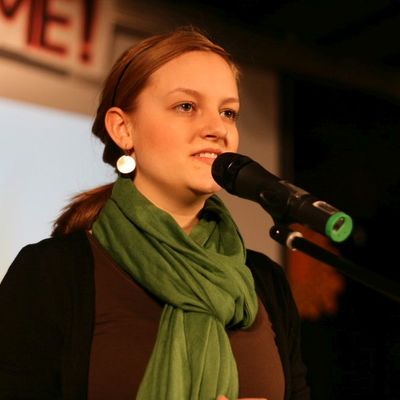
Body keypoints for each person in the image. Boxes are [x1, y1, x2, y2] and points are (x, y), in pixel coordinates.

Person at [0, 26, 310, 400]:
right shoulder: (52, 273)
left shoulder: (266, 281)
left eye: (228, 112)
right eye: (186, 106)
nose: (217, 129)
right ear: (123, 128)